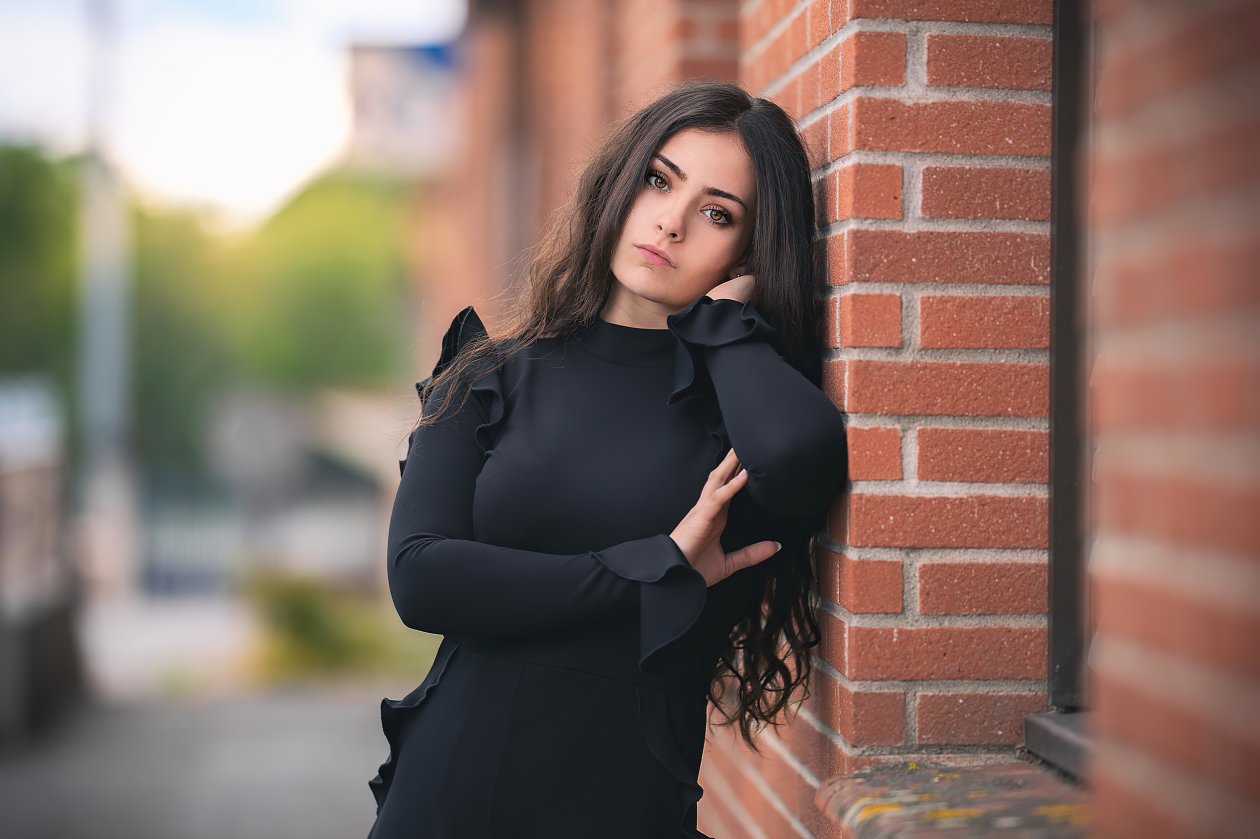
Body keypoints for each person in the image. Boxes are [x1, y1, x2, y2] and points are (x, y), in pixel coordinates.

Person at [366, 79, 848, 839]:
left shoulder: (740, 411)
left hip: (621, 807)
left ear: (750, 251)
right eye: (659, 180)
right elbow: (421, 579)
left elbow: (800, 460)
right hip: (446, 797)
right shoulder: (490, 375)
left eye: (718, 214)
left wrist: (723, 324)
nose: (671, 222)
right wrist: (657, 568)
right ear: (620, 183)